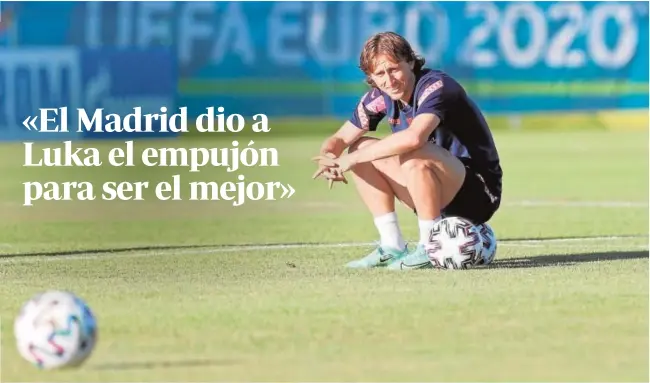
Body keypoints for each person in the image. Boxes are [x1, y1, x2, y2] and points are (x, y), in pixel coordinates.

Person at [312, 31, 503, 271]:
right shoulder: (379, 98)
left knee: (412, 151)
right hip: (430, 188)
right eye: (379, 73)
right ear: (371, 76)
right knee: (361, 146)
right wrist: (329, 157)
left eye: (393, 69)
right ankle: (392, 245)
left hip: (477, 192)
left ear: (411, 62)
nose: (388, 80)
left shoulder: (436, 86)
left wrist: (349, 160)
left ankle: (428, 246)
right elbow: (340, 138)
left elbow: (415, 137)